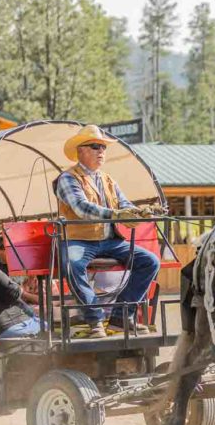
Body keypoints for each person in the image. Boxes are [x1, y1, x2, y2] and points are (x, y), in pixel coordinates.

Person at [54, 124, 160, 338]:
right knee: (72, 265)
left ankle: (122, 315)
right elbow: (81, 208)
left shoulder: (108, 180)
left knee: (150, 261)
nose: (101, 151)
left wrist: (139, 213)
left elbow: (124, 204)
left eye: (103, 147)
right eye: (95, 146)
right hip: (79, 239)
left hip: (109, 240)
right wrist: (115, 215)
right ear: (80, 151)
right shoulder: (68, 178)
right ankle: (95, 320)